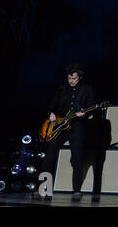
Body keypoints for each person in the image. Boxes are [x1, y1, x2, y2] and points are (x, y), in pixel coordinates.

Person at [36, 63, 94, 199]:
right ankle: (41, 188)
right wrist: (51, 113)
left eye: (74, 78)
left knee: (76, 158)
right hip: (59, 127)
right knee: (49, 156)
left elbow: (91, 107)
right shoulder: (62, 89)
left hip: (77, 127)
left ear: (80, 77)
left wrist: (84, 114)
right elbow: (51, 105)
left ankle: (77, 190)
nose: (71, 81)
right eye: (69, 79)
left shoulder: (87, 89)